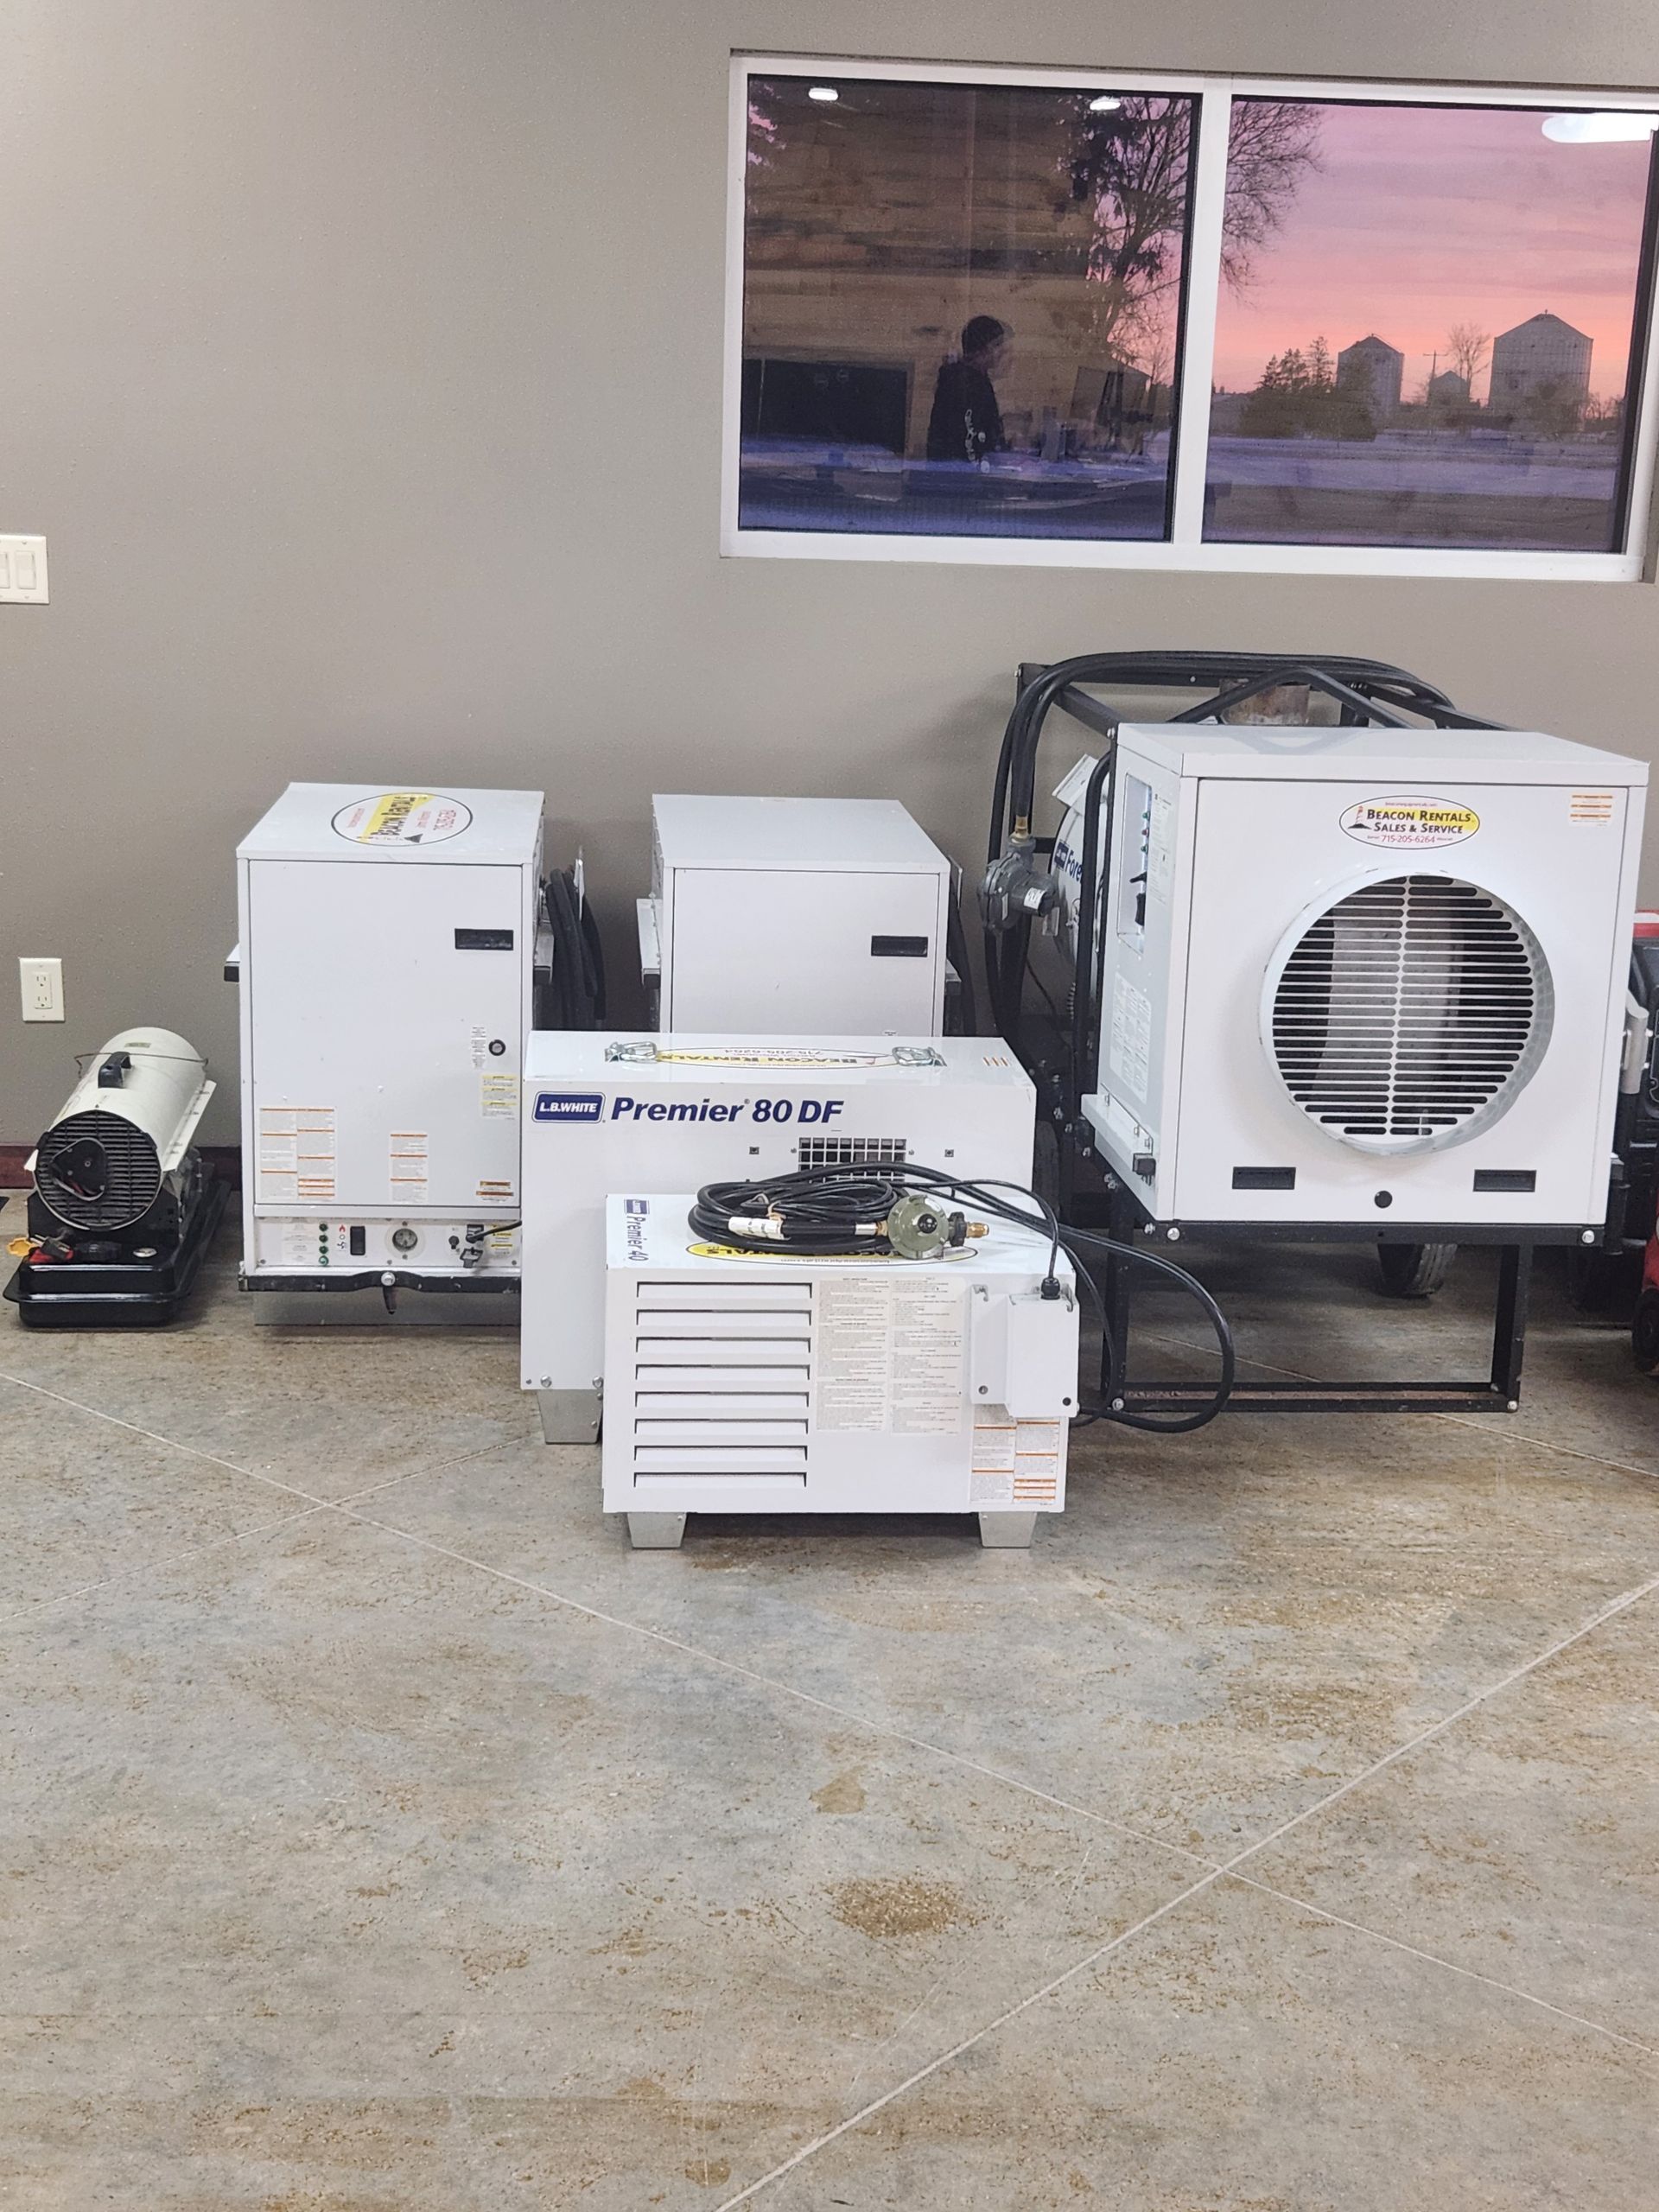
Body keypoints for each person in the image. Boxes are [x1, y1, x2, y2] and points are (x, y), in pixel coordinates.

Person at [926, 315, 1010, 465]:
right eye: (997, 345)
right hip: (960, 477)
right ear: (982, 349)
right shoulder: (962, 384)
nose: (1002, 351)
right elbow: (967, 436)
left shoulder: (978, 380)